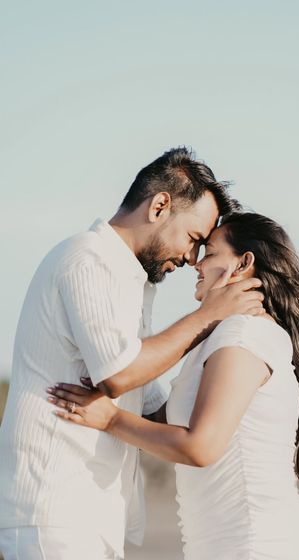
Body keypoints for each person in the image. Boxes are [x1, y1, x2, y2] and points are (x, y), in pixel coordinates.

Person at [0, 149, 265, 560]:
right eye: (193, 239)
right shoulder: (87, 259)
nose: (190, 259)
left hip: (89, 517)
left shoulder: (132, 281)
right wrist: (207, 316)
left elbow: (151, 403)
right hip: (51, 511)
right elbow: (120, 373)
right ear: (159, 206)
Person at [47, 212, 299, 560]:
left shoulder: (244, 335)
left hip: (254, 545)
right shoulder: (225, 337)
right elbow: (166, 426)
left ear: (242, 264)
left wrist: (110, 420)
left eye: (210, 253)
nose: (196, 264)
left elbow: (200, 447)